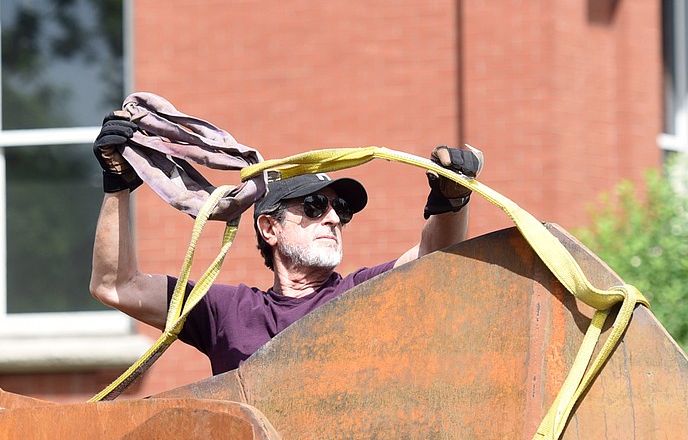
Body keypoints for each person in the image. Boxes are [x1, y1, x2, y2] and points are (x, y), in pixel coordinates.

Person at [89, 112, 483, 375]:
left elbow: (435, 260)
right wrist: (117, 188)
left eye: (340, 209)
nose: (332, 218)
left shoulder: (361, 294)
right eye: (313, 206)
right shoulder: (227, 312)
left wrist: (451, 197)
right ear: (269, 229)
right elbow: (115, 285)